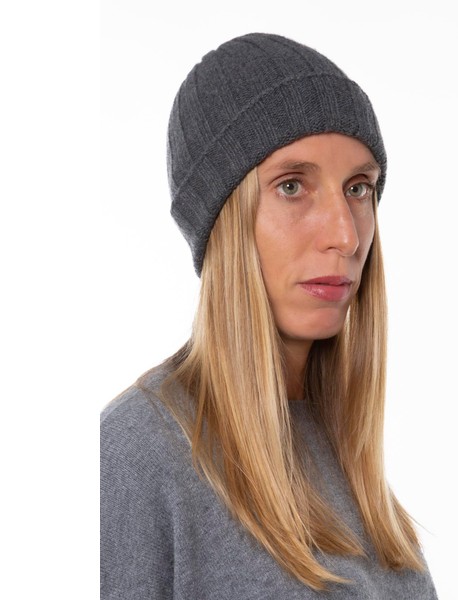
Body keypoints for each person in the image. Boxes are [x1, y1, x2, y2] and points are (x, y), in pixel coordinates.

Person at [101, 32, 438, 599]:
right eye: (292, 185)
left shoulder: (343, 454)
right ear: (223, 223)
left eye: (359, 188)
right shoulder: (138, 452)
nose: (345, 234)